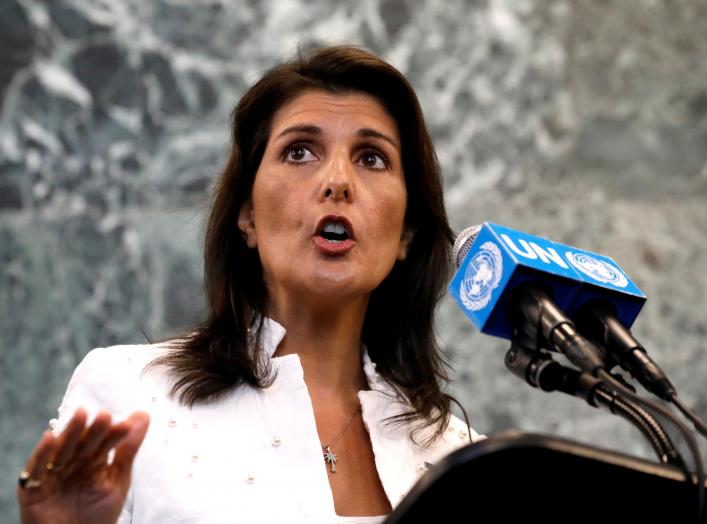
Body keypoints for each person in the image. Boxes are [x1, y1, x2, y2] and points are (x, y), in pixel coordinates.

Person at [17, 45, 483, 524]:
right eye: (299, 151)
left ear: (406, 232)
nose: (338, 180)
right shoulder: (128, 395)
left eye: (371, 157)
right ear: (247, 216)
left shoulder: (456, 457)